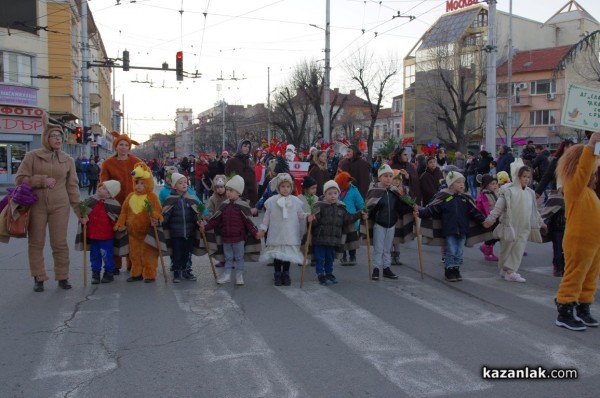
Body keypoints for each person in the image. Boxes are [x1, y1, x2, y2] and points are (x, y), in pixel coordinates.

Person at [15, 120, 83, 292]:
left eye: (60, 136)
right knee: (36, 243)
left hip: (60, 205)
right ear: (46, 138)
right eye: (54, 136)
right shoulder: (32, 156)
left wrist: (80, 211)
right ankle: (39, 277)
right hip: (37, 205)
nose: (58, 139)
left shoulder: (67, 160)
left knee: (59, 243)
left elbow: (72, 186)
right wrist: (41, 180)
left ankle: (63, 277)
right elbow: (20, 179)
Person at [553, 134, 600, 331]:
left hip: (594, 242)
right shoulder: (574, 186)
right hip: (578, 241)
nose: (594, 172)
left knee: (590, 277)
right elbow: (584, 168)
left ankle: (583, 307)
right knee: (575, 275)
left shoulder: (588, 191)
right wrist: (590, 146)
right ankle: (564, 310)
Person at [415, 171, 488, 282]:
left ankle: (456, 269)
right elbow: (432, 209)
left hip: (462, 230)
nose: (462, 184)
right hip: (450, 230)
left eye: (463, 182)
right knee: (451, 250)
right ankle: (449, 270)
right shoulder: (444, 198)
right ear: (451, 184)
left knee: (459, 252)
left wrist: (483, 221)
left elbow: (474, 212)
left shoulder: (465, 199)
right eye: (458, 182)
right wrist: (420, 213)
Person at [483, 166, 546, 283]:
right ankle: (504, 269)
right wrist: (490, 219)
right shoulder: (508, 190)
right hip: (509, 225)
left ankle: (511, 271)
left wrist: (540, 222)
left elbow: (534, 210)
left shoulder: (530, 193)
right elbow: (498, 207)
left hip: (524, 226)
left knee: (519, 248)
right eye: (524, 176)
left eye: (528, 177)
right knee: (506, 249)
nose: (526, 179)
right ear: (518, 176)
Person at [201, 176, 261, 285]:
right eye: (227, 190)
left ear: (238, 192)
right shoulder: (224, 205)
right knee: (228, 258)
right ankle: (227, 275)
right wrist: (205, 227)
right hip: (226, 238)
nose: (228, 192)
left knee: (239, 258)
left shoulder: (242, 206)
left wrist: (255, 233)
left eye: (231, 190)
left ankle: (239, 276)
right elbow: (216, 220)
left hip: (239, 238)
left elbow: (248, 222)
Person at [258, 173, 314, 286]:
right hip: (276, 233)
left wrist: (308, 215)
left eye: (288, 186)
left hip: (290, 233)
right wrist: (263, 229)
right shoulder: (272, 201)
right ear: (279, 188)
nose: (285, 189)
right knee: (277, 256)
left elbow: (300, 214)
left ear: (291, 188)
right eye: (283, 186)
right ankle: (277, 274)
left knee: (288, 255)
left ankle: (286, 274)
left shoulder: (295, 201)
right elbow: (267, 218)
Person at [99, 131, 142, 275]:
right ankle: (115, 264)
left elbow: (144, 180)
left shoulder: (136, 162)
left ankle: (132, 263)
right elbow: (103, 182)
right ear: (116, 146)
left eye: (126, 145)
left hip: (133, 202)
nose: (123, 147)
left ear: (129, 147)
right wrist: (103, 196)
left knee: (133, 235)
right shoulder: (108, 163)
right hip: (114, 203)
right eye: (120, 145)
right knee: (115, 234)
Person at [114, 163, 163, 283]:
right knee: (134, 254)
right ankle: (136, 273)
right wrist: (120, 223)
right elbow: (124, 212)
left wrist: (156, 218)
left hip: (148, 232)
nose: (139, 186)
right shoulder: (130, 196)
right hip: (132, 234)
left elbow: (158, 212)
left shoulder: (152, 196)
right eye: (137, 183)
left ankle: (149, 273)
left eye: (142, 183)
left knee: (149, 254)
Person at [311, 180, 366, 285]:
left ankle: (329, 273)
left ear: (338, 194)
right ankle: (320, 273)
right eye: (330, 193)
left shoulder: (341, 207)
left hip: (333, 239)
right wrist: (311, 219)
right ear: (324, 194)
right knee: (320, 257)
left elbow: (348, 218)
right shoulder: (319, 206)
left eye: (335, 193)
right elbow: (314, 222)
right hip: (320, 238)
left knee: (330, 258)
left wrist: (360, 213)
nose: (333, 196)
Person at [365, 164, 414, 281]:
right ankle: (376, 269)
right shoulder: (375, 190)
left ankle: (386, 268)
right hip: (379, 224)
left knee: (387, 249)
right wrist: (365, 214)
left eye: (390, 176)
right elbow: (369, 206)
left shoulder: (394, 192)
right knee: (379, 248)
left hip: (391, 224)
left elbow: (400, 208)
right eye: (385, 176)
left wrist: (412, 208)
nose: (388, 178)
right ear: (379, 178)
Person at [162, 173, 203, 283]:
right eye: (180, 183)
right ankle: (176, 272)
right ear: (174, 186)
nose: (184, 184)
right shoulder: (170, 199)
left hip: (189, 232)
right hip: (176, 233)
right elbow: (166, 215)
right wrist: (160, 221)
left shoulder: (191, 198)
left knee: (187, 253)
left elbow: (196, 213)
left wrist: (198, 220)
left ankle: (187, 271)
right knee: (177, 253)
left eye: (185, 182)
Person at [78, 180, 122, 284]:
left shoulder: (113, 204)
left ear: (109, 193)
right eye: (101, 186)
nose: (99, 188)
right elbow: (84, 212)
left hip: (106, 236)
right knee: (95, 255)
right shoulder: (91, 200)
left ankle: (109, 272)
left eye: (103, 188)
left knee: (107, 255)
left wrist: (118, 226)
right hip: (93, 235)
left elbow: (115, 219)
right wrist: (83, 218)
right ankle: (95, 273)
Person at [335, 171, 364, 266]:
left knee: (351, 239)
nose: (341, 187)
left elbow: (360, 203)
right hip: (340, 219)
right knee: (342, 239)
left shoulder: (354, 191)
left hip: (352, 219)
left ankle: (352, 256)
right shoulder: (336, 191)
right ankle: (342, 256)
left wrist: (363, 210)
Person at [225, 139, 258, 207]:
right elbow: (229, 179)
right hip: (238, 196)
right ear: (240, 147)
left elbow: (252, 179)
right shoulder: (232, 161)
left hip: (250, 196)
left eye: (248, 147)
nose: (247, 148)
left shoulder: (249, 161)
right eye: (245, 146)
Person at [475, 174, 499, 261]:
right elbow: (479, 207)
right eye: (492, 184)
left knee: (497, 235)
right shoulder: (483, 195)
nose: (495, 185)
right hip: (489, 219)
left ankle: (485, 247)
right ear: (486, 185)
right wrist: (483, 218)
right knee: (491, 237)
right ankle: (488, 252)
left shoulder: (494, 193)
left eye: (496, 183)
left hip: (496, 218)